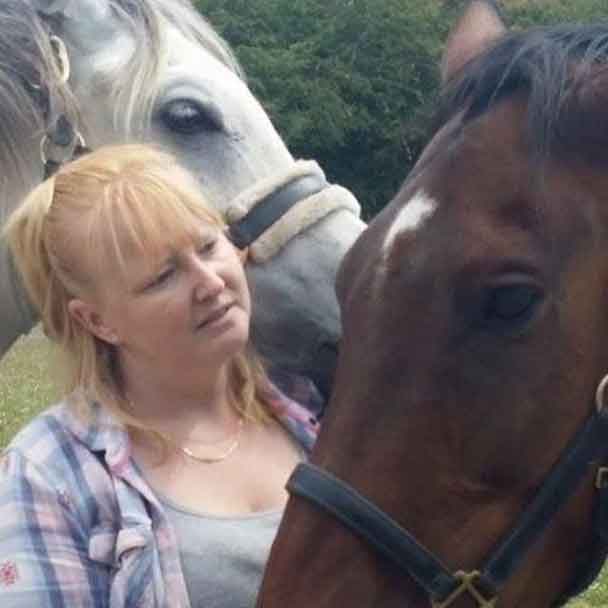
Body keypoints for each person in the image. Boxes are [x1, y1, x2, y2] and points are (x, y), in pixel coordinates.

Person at [0, 144, 322, 607]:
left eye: (209, 246)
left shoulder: (317, 407)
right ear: (97, 322)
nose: (210, 282)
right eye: (162, 277)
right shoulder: (48, 474)